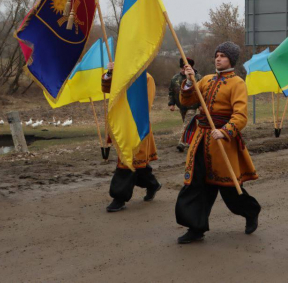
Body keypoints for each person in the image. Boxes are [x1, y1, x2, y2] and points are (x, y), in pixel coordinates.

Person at [175, 41, 261, 244]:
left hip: (222, 142)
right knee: (195, 184)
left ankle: (251, 211)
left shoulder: (237, 83)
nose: (218, 58)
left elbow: (240, 116)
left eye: (223, 55)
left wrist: (225, 131)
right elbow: (187, 101)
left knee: (229, 188)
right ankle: (195, 228)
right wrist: (188, 81)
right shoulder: (205, 79)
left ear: (231, 59)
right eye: (217, 55)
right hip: (200, 140)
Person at [107, 71, 162, 212]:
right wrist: (110, 74)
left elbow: (145, 105)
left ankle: (119, 198)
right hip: (121, 124)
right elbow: (106, 89)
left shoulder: (147, 78)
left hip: (137, 126)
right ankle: (152, 184)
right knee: (139, 165)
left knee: (128, 162)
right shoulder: (121, 75)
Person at [169, 58, 202, 152]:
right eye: (182, 68)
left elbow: (202, 92)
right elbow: (171, 91)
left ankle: (182, 143)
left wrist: (200, 104)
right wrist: (171, 103)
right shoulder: (175, 78)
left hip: (193, 105)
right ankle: (195, 140)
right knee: (189, 124)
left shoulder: (198, 77)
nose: (184, 70)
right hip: (181, 106)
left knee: (187, 124)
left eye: (186, 68)